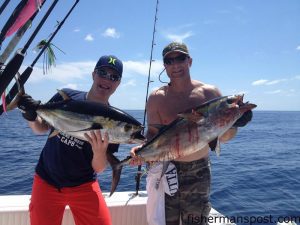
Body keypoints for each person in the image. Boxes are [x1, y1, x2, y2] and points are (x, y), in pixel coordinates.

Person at [131, 42, 252, 225]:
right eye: (169, 61)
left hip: (198, 171)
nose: (175, 65)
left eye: (180, 58)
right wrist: (142, 150)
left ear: (190, 61)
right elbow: (153, 134)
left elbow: (225, 138)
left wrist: (234, 123)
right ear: (164, 66)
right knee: (166, 221)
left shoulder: (210, 93)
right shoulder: (156, 98)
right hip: (165, 169)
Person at [17, 55, 123, 225]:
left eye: (114, 77)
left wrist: (99, 151)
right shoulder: (66, 96)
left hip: (84, 185)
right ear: (93, 74)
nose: (107, 80)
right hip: (47, 181)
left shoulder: (115, 122)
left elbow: (99, 167)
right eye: (103, 73)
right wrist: (31, 116)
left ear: (118, 83)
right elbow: (40, 128)